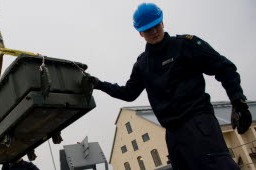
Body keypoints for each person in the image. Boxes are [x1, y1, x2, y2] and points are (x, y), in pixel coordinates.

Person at [88, 3, 252, 170]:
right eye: (147, 29)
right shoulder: (142, 64)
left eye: (156, 25)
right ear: (140, 33)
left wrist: (238, 101)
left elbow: (224, 68)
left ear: (162, 22)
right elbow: (129, 93)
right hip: (173, 134)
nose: (153, 32)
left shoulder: (185, 45)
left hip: (199, 123)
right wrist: (99, 84)